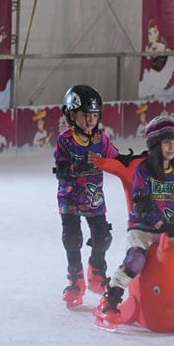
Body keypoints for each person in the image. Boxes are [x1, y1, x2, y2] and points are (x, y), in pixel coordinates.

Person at [95, 114, 174, 330]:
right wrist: (160, 226)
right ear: (155, 145)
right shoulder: (143, 172)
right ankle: (110, 300)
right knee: (136, 259)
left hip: (169, 228)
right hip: (142, 229)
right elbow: (141, 204)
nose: (172, 146)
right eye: (166, 142)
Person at [54, 85, 121, 308]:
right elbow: (62, 172)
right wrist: (77, 167)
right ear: (72, 115)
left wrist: (135, 161)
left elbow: (115, 160)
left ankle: (96, 273)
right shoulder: (65, 140)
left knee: (103, 237)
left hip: (94, 197)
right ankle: (75, 280)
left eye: (94, 115)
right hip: (70, 197)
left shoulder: (101, 139)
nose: (91, 120)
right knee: (72, 237)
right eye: (86, 115)